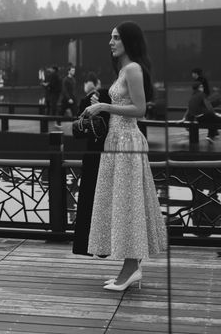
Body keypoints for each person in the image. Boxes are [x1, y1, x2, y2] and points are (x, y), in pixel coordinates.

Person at [82, 21, 166, 291]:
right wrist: (102, 107)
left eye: (116, 38)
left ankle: (131, 268)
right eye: (111, 37)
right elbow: (125, 105)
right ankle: (130, 267)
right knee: (125, 205)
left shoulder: (132, 69)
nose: (111, 42)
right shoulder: (124, 69)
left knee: (128, 205)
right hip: (117, 141)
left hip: (127, 142)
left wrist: (105, 105)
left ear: (128, 41)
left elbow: (140, 109)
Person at [72, 72, 110, 255]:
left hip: (93, 153)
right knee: (102, 200)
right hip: (105, 151)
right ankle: (101, 246)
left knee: (89, 198)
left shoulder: (93, 98)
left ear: (93, 83)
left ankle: (89, 244)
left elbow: (79, 124)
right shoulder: (102, 97)